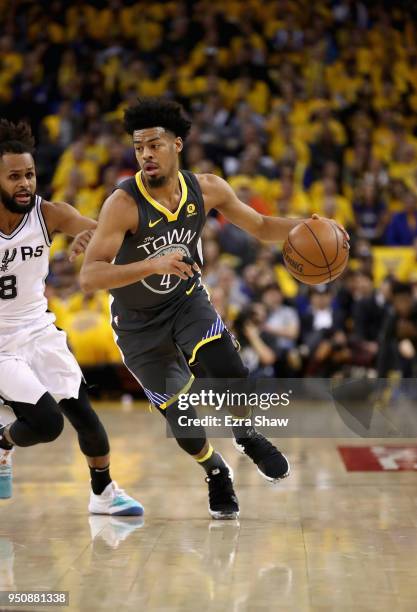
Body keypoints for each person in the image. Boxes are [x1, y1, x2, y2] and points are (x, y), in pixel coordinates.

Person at [81, 98, 346, 519]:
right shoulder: (123, 203)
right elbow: (89, 275)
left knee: (229, 368)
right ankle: (216, 471)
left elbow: (259, 227)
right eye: (138, 147)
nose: (146, 154)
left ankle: (245, 433)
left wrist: (302, 226)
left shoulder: (208, 189)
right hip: (137, 324)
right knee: (184, 425)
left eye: (155, 144)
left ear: (177, 145)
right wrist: (154, 262)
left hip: (185, 301)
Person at [0, 119, 142, 516]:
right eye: (14, 177)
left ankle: (104, 493)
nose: (25, 183)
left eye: (29, 174)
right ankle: (3, 441)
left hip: (39, 329)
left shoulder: (48, 214)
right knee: (47, 424)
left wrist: (92, 240)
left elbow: (112, 238)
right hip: (0, 346)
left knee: (84, 415)